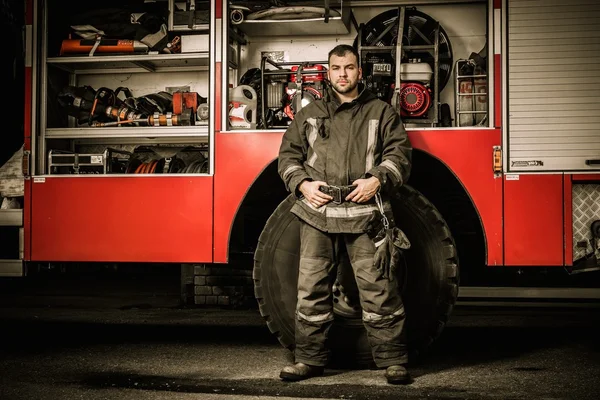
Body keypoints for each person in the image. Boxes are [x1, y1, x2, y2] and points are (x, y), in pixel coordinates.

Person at [276, 44, 413, 385]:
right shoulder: (309, 114)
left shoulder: (382, 112)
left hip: (365, 212)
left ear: (359, 72)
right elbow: (287, 158)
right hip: (317, 213)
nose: (342, 74)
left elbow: (400, 155)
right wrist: (303, 186)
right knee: (311, 290)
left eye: (349, 67)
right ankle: (308, 360)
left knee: (378, 287)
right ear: (328, 72)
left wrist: (377, 180)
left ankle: (393, 360)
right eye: (336, 68)